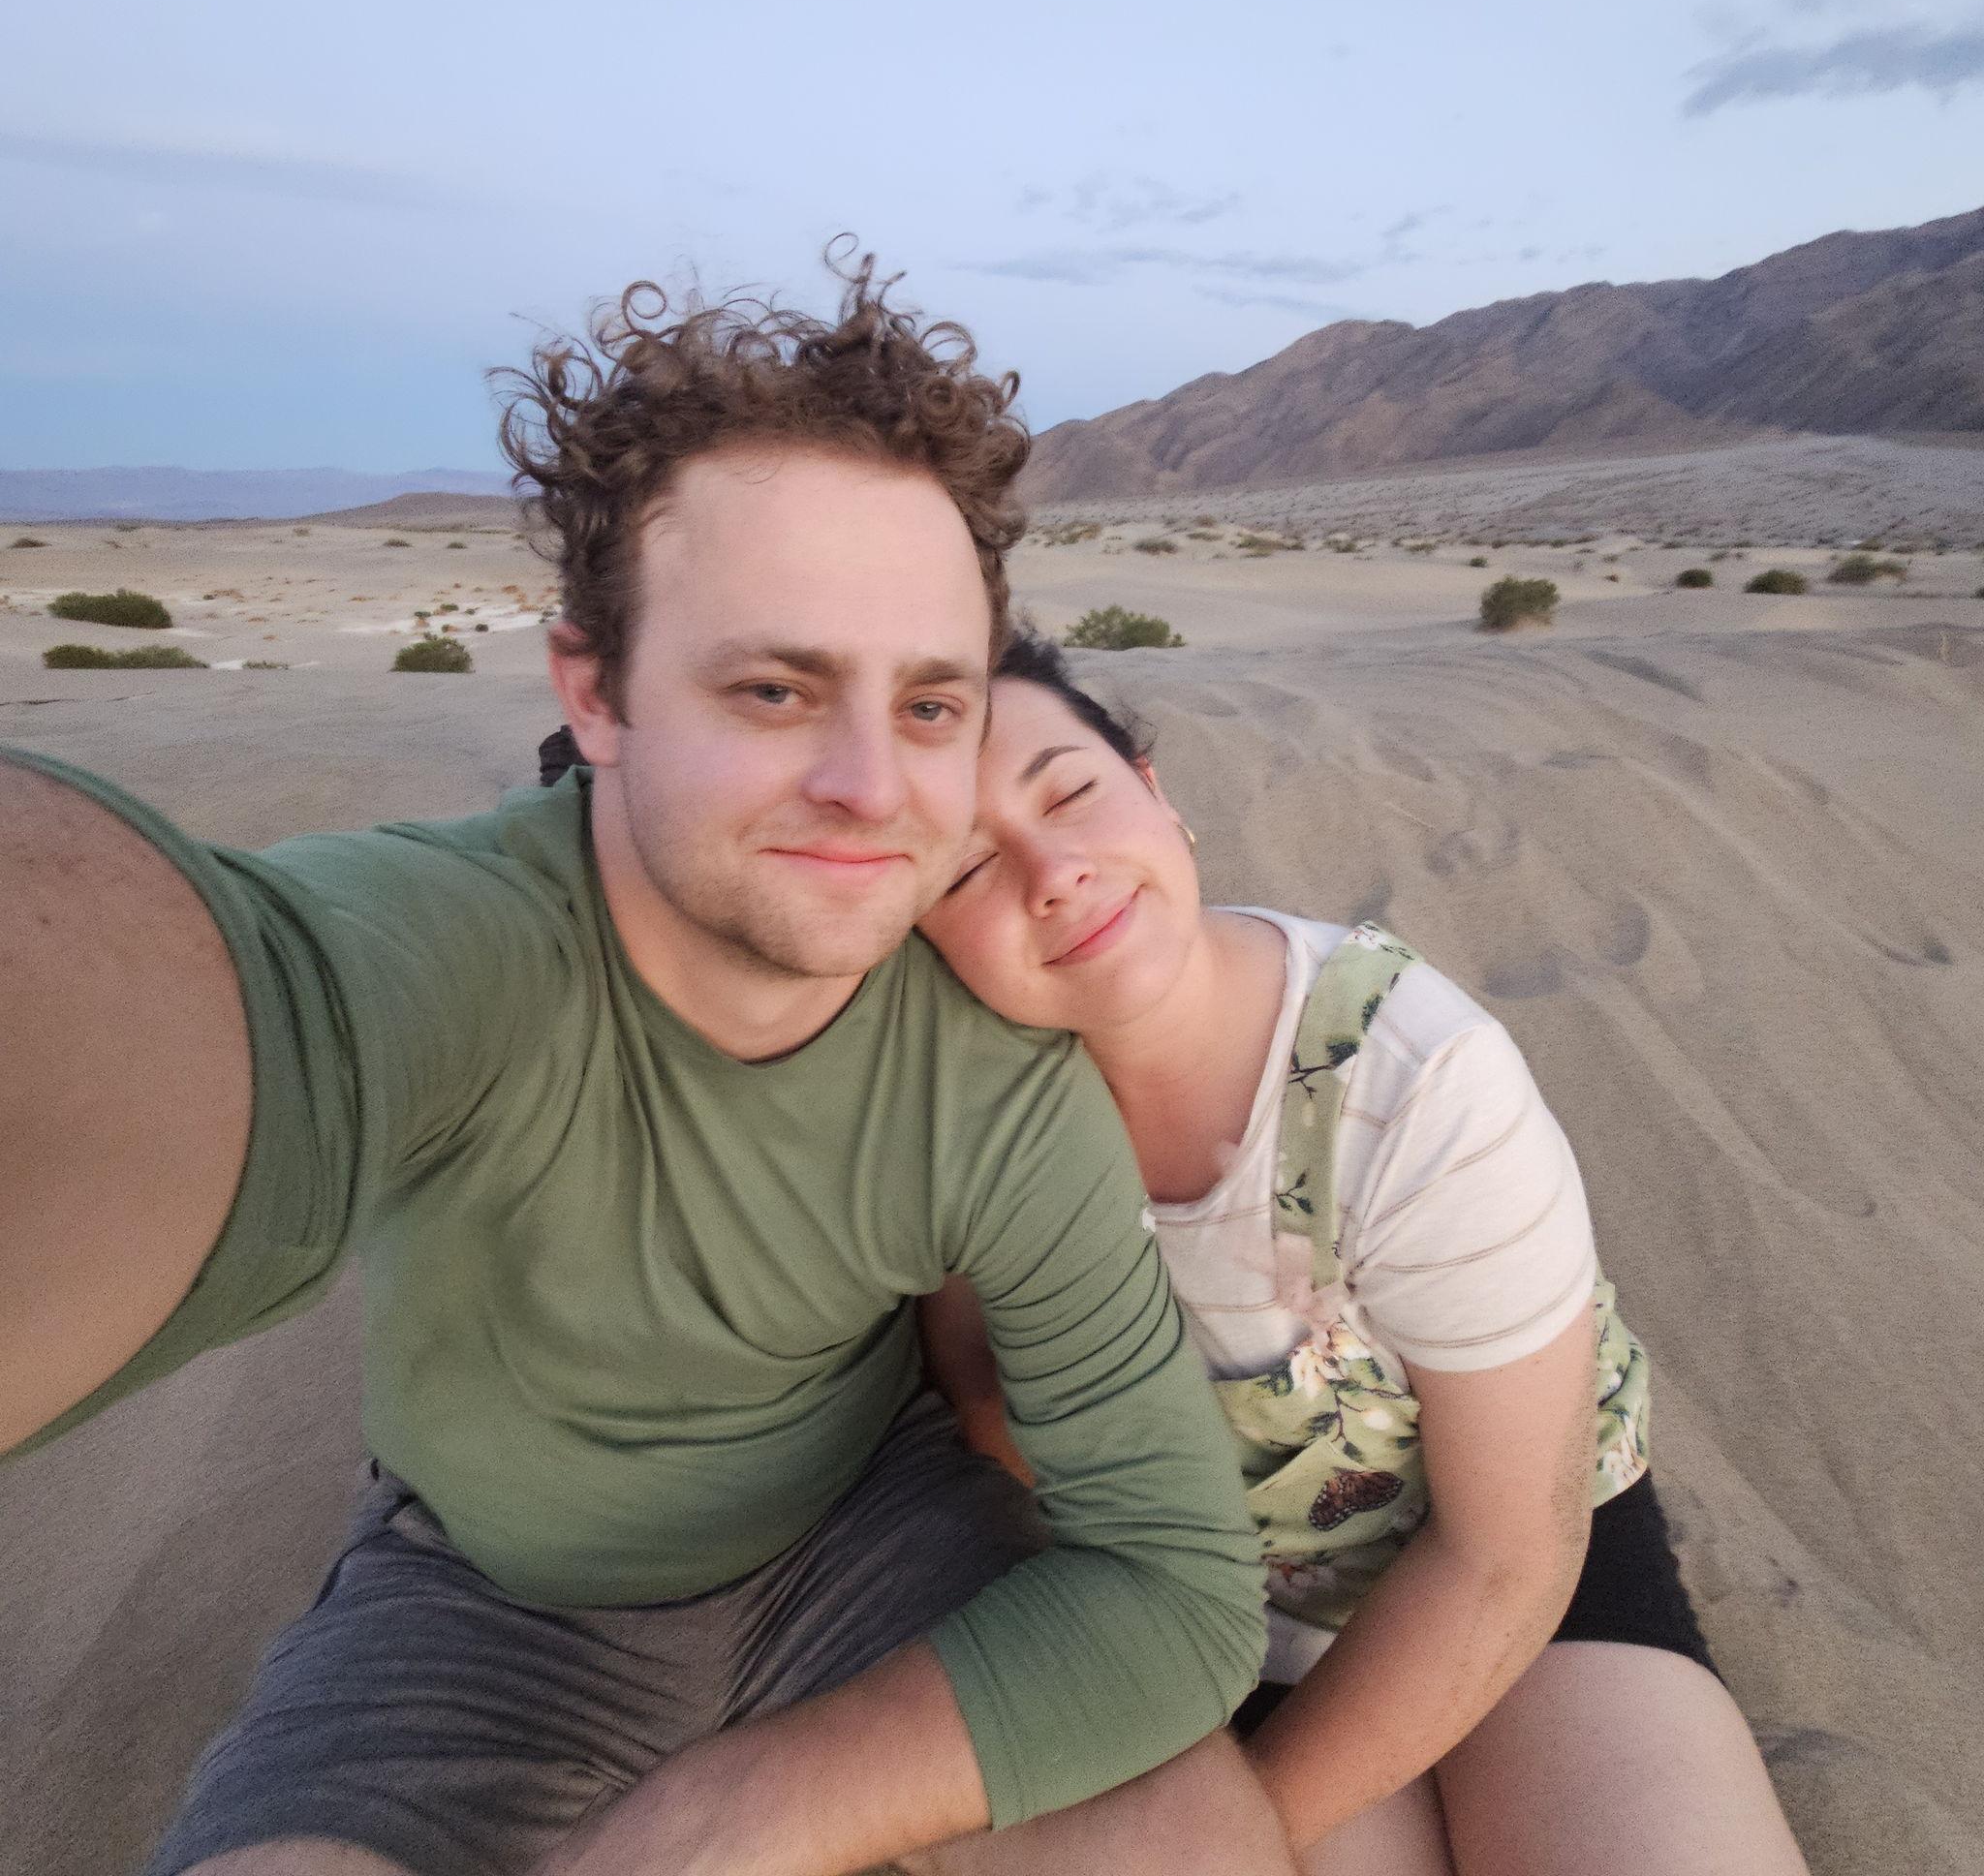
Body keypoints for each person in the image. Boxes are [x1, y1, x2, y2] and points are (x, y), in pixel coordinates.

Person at [0, 270, 1299, 1876]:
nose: (871, 788)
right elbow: (200, 1015)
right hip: (481, 1604)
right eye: (774, 688)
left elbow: (1171, 1585)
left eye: (932, 704)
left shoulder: (993, 1060)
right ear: (594, 693)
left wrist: (721, 1821)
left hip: (874, 1539)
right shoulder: (453, 949)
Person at [914, 628, 1814, 1876]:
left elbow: (1510, 1554)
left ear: (1159, 797)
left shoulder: (1411, 1080)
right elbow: (985, 1413)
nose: (1052, 871)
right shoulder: (960, 1117)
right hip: (1204, 1611)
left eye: (1071, 792)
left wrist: (1234, 1842)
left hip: (1511, 1552)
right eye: (962, 871)